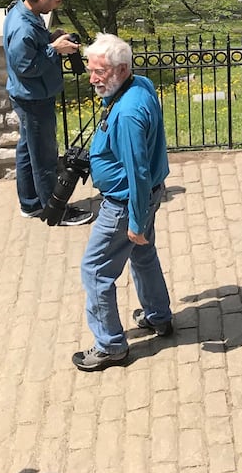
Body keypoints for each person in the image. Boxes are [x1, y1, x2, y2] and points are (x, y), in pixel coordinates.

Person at [73, 33, 174, 371]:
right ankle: (158, 316)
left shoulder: (128, 114)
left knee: (95, 270)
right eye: (91, 71)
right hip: (145, 197)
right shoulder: (140, 83)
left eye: (99, 72)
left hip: (124, 204)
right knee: (143, 255)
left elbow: (138, 173)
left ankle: (110, 345)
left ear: (120, 69)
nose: (92, 79)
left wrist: (134, 222)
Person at [3, 0, 92, 227]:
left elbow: (32, 50)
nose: (57, 6)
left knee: (27, 150)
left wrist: (51, 39)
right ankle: (54, 210)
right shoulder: (23, 27)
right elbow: (25, 66)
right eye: (56, 2)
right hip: (33, 98)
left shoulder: (23, 13)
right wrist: (55, 50)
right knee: (44, 155)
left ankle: (30, 203)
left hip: (26, 95)